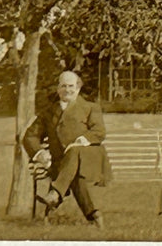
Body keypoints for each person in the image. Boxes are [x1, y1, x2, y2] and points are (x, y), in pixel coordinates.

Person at [22, 70, 112, 228]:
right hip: (61, 165)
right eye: (63, 86)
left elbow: (99, 132)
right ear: (58, 89)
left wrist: (80, 141)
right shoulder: (48, 112)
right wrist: (39, 153)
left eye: (71, 86)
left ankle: (55, 194)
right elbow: (29, 136)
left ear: (78, 87)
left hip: (90, 159)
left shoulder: (91, 108)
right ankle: (94, 216)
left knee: (74, 150)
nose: (67, 90)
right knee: (74, 174)